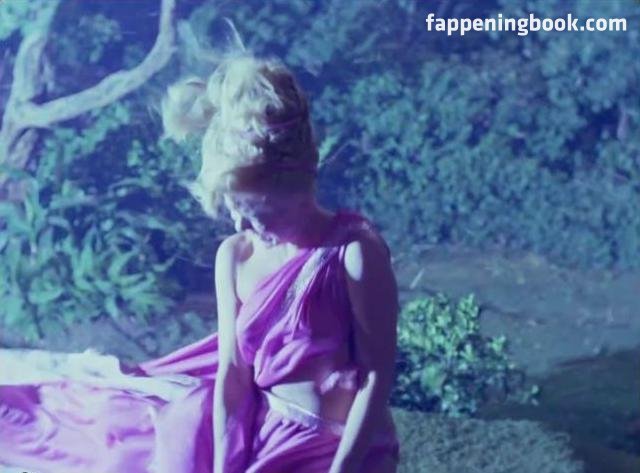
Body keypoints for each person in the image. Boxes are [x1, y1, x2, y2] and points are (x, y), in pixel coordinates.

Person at [0, 51, 400, 473]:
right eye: (233, 209)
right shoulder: (236, 255)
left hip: (345, 446)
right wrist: (225, 463)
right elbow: (233, 373)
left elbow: (376, 375)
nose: (241, 224)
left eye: (255, 211)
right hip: (270, 433)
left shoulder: (352, 252)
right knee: (116, 441)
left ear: (296, 185)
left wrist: (344, 468)